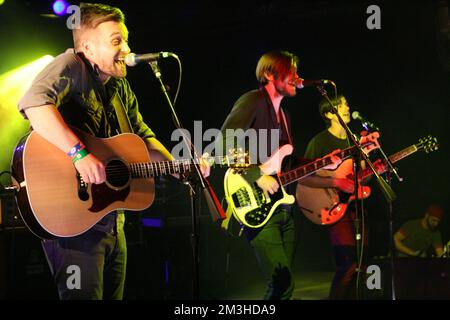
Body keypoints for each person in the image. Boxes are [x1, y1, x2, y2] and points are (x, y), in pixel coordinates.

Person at [16, 3, 196, 300]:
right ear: (87, 46)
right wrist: (79, 155)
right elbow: (34, 104)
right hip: (72, 222)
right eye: (116, 41)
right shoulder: (71, 65)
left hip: (112, 221)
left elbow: (143, 138)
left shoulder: (120, 88)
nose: (127, 47)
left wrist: (177, 165)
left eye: (126, 39)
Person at [218, 50, 342, 300]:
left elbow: (289, 163)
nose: (298, 77)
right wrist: (256, 176)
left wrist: (323, 163)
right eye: (291, 71)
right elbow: (225, 142)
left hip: (283, 208)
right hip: (255, 204)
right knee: (283, 282)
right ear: (269, 74)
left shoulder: (284, 116)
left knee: (281, 286)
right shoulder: (252, 100)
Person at [297, 94, 379, 300]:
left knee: (362, 263)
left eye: (347, 103)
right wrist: (335, 183)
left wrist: (369, 159)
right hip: (332, 207)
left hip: (355, 207)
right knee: (348, 264)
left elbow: (361, 180)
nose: (347, 107)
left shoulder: (354, 140)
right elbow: (303, 179)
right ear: (328, 113)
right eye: (341, 105)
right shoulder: (319, 141)